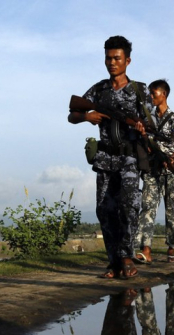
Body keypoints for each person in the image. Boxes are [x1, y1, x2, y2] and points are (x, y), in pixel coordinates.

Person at [68, 36, 151, 279]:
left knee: (128, 206)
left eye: (117, 58)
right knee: (104, 210)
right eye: (108, 58)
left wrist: (142, 128)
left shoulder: (140, 90)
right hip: (105, 157)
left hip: (129, 159)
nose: (112, 62)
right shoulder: (98, 90)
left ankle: (126, 256)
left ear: (128, 60)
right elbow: (72, 114)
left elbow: (150, 122)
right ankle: (114, 262)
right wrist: (87, 117)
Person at [135, 79, 174, 264]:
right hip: (152, 169)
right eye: (150, 93)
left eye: (154, 93)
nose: (151, 96)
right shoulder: (147, 119)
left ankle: (172, 247)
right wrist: (142, 135)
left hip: (171, 171)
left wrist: (171, 158)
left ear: (163, 94)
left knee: (172, 211)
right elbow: (141, 141)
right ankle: (146, 250)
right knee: (147, 208)